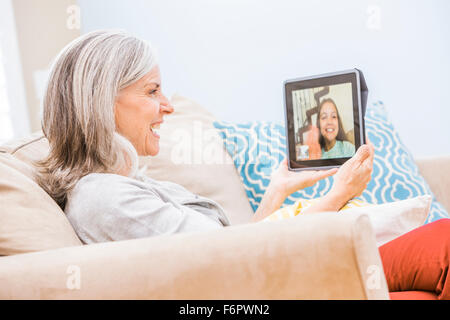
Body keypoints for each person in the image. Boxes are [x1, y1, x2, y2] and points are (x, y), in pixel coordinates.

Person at [36, 30, 449, 299]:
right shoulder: (104, 197)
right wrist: (339, 194)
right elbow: (232, 261)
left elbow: (225, 249)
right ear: (101, 102)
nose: (167, 106)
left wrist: (275, 191)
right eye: (152, 91)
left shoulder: (122, 187)